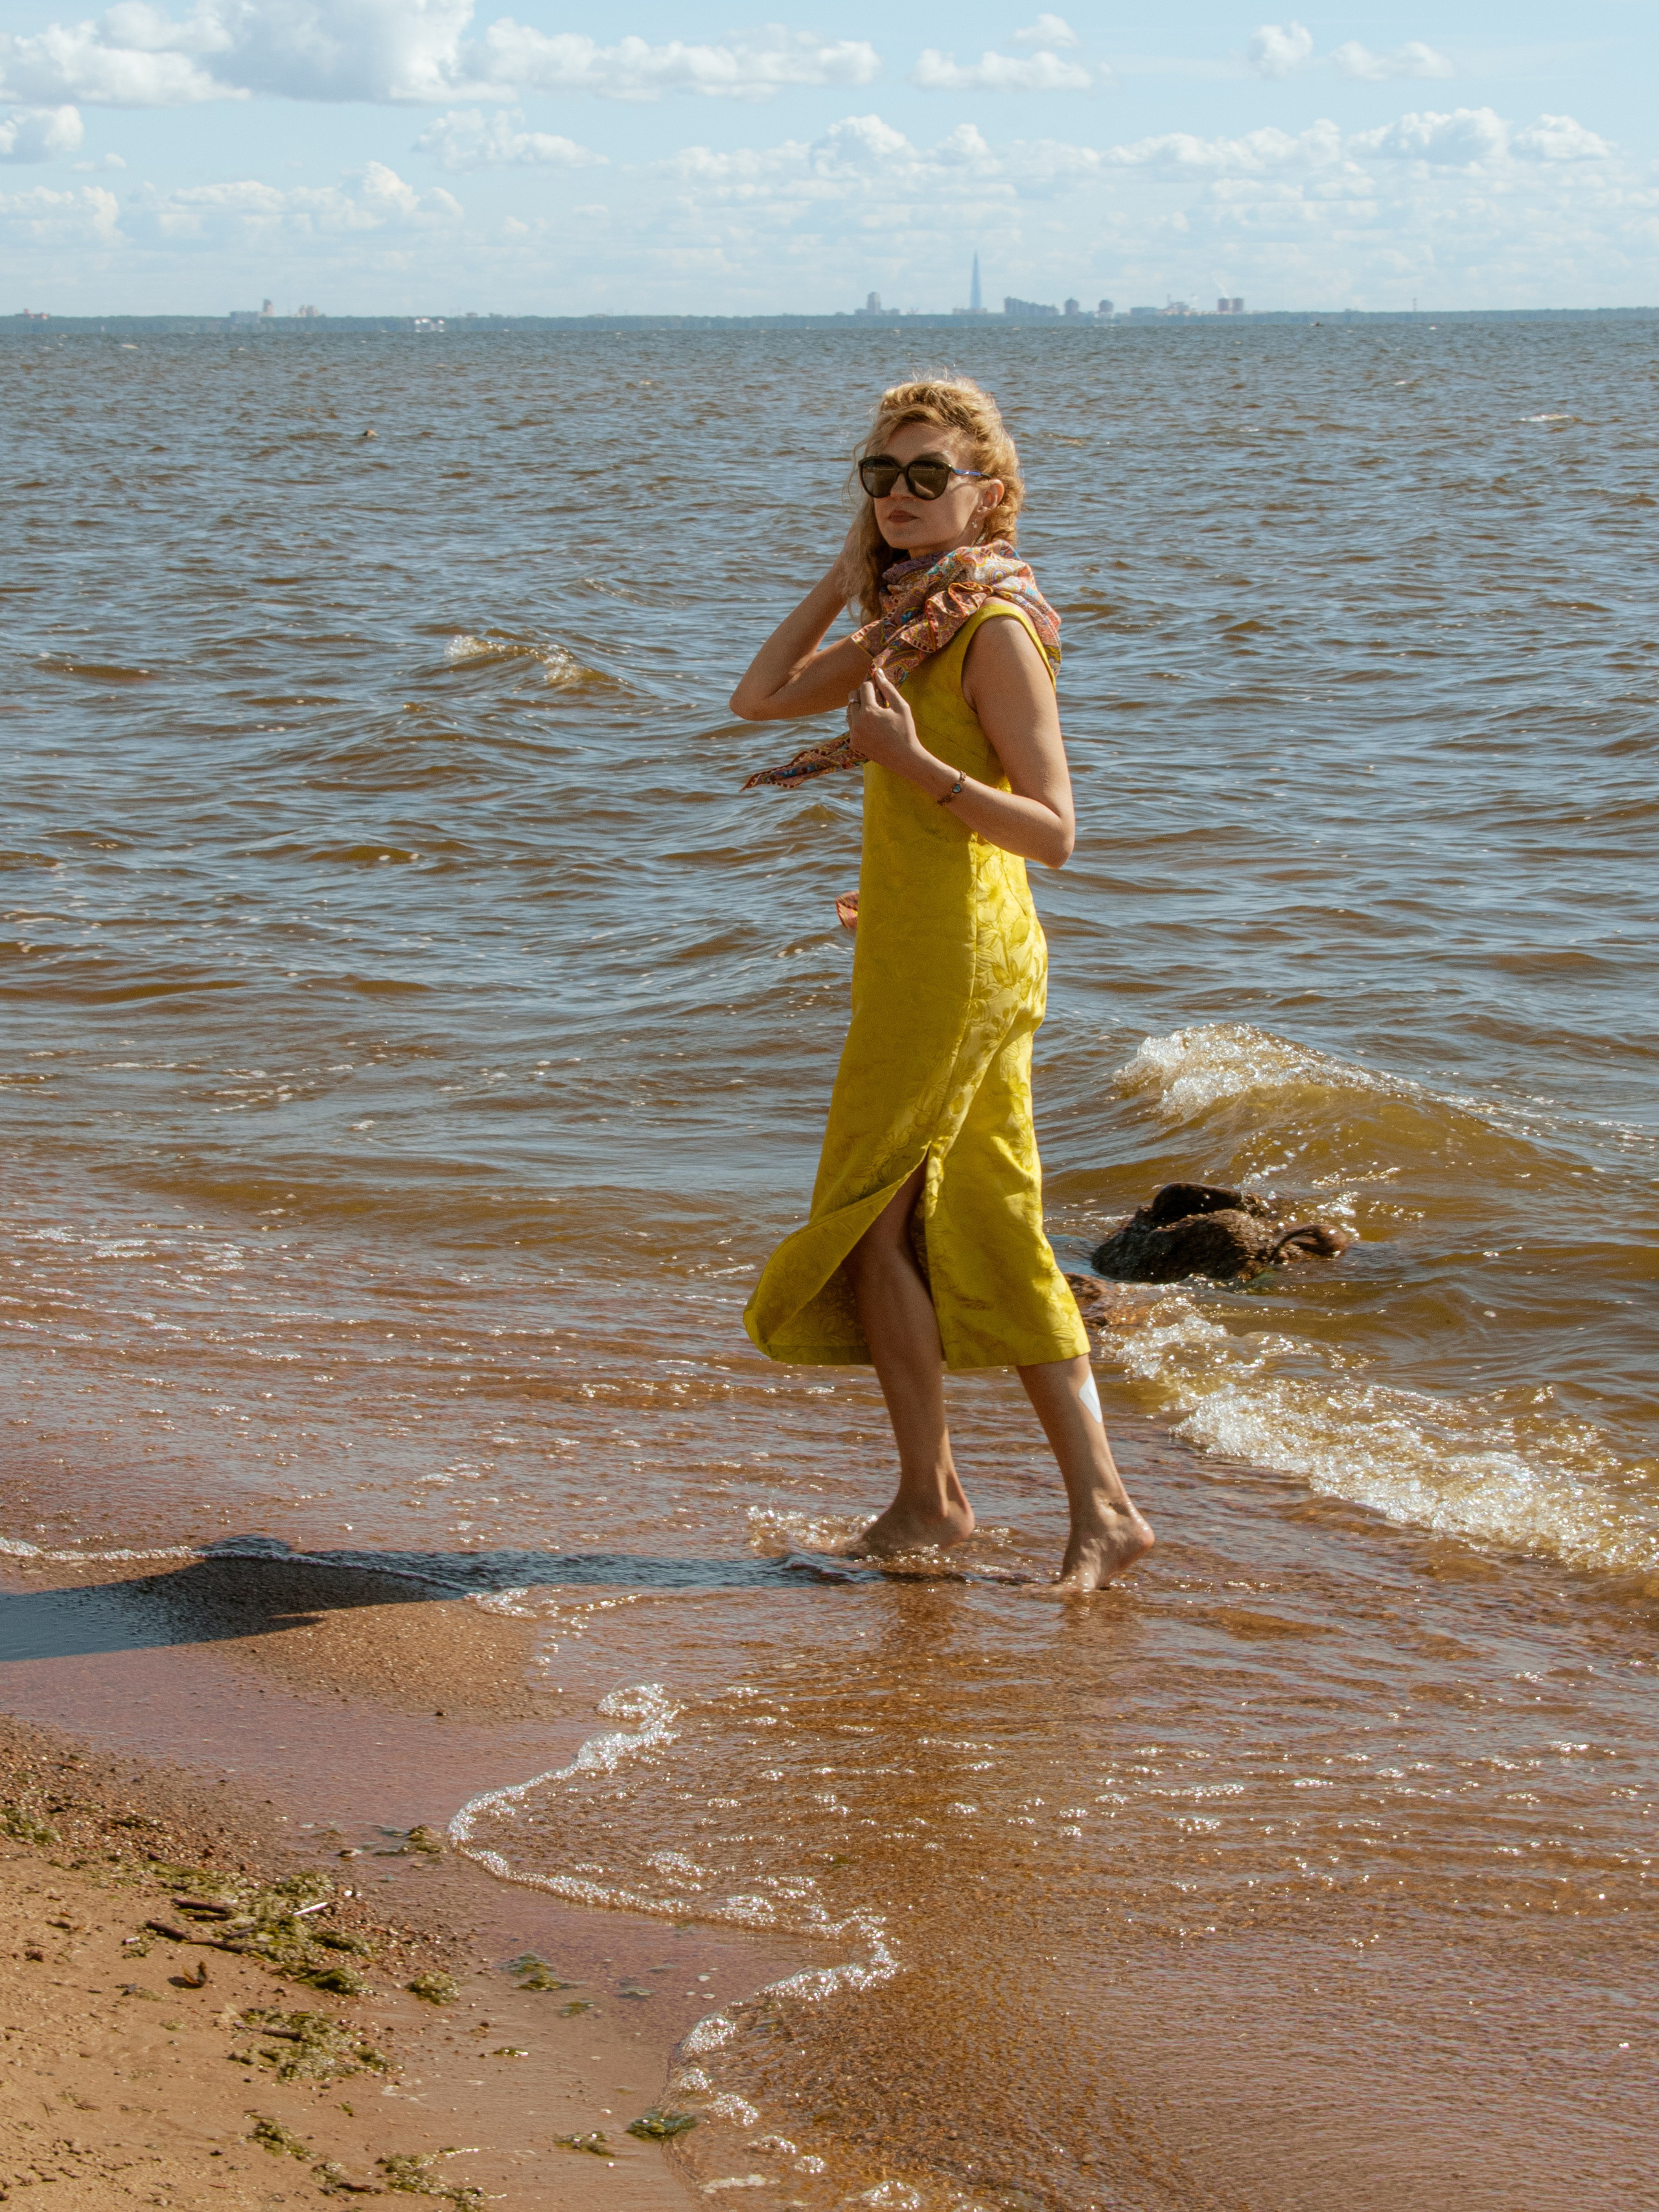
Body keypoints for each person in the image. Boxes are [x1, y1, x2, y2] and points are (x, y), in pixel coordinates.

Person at [730, 377, 1153, 1593]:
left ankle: (939, 1502)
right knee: (959, 1219)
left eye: (929, 477)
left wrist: (912, 765)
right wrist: (848, 565)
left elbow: (1057, 831)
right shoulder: (910, 619)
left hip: (963, 958)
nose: (904, 495)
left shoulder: (992, 628)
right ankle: (1066, 1506)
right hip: (918, 948)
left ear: (990, 496)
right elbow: (756, 699)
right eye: (882, 476)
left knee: (878, 1213)